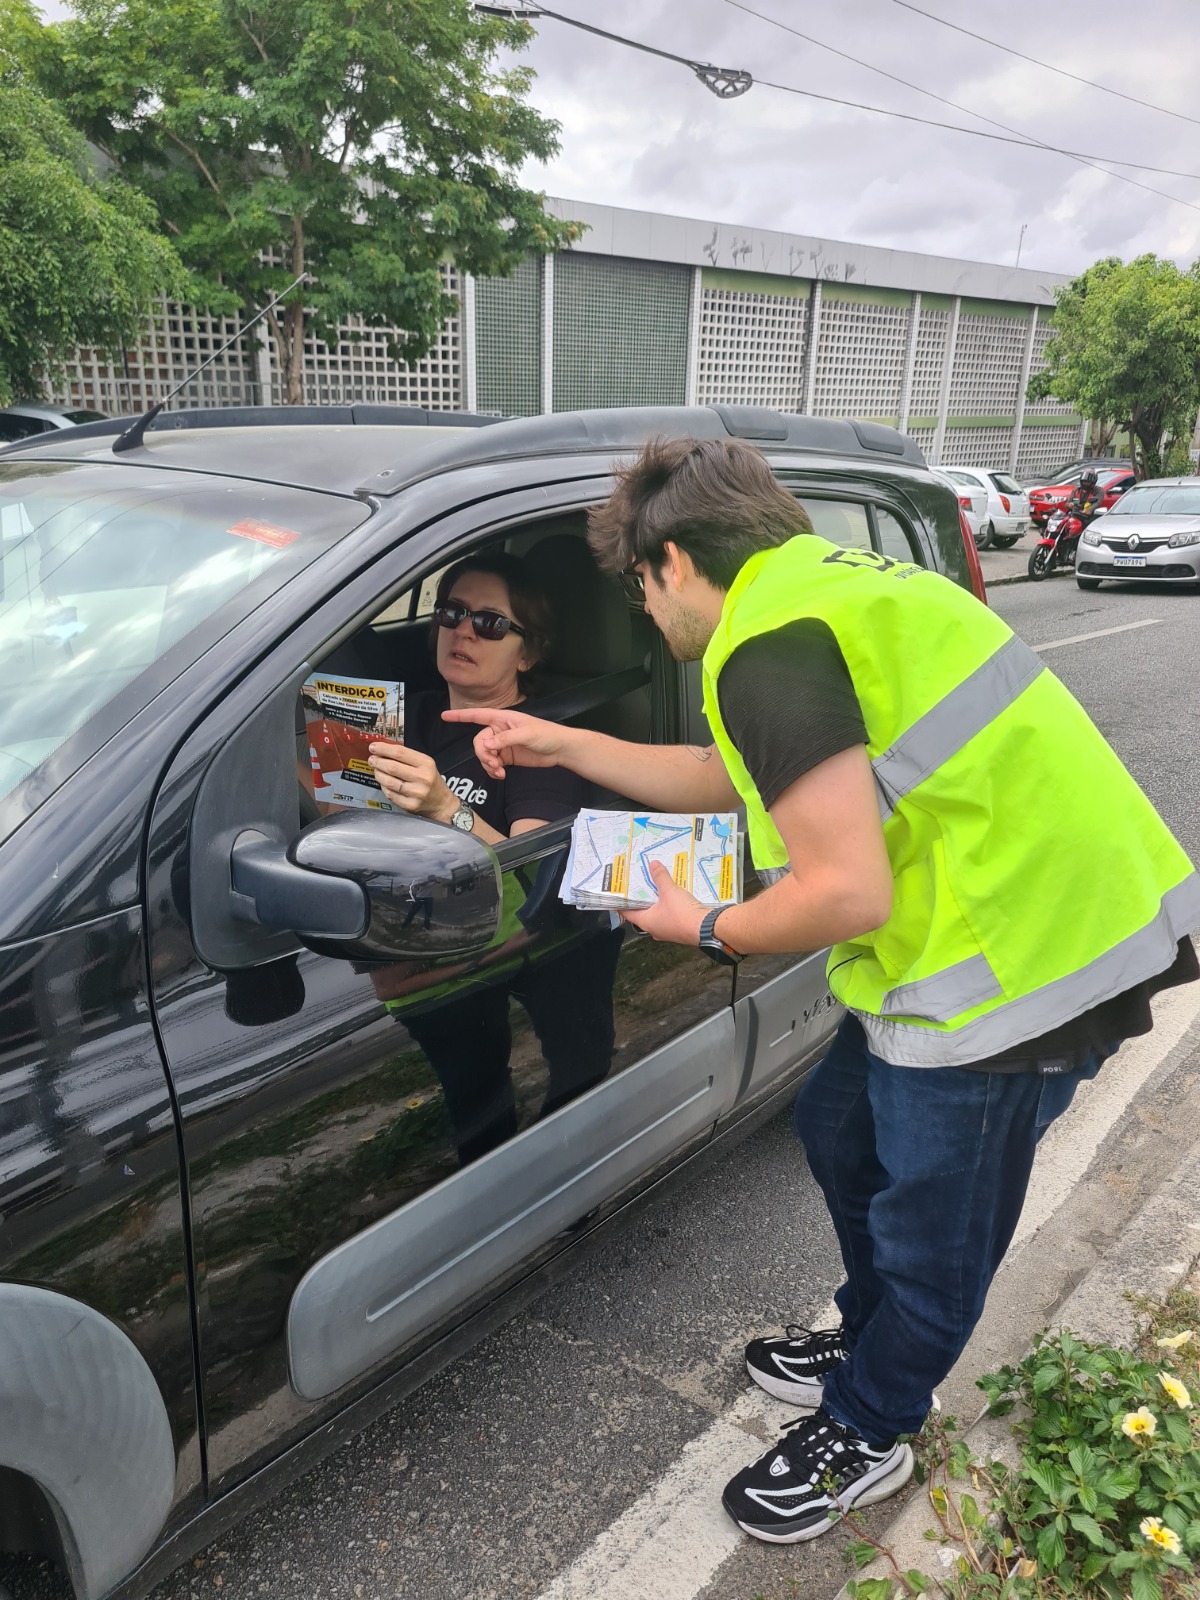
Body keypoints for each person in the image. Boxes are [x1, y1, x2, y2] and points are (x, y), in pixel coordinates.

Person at [444, 437, 1200, 1542]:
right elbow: (732, 772)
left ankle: (875, 1420)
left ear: (671, 563)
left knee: (936, 1235)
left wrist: (703, 922)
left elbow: (846, 892)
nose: (647, 617)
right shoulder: (819, 592)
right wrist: (559, 737)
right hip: (988, 928)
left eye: (637, 590)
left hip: (1021, 967)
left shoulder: (770, 643)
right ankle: (872, 1331)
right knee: (839, 1127)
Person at [366, 553, 619, 1165]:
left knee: (570, 1066)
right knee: (471, 1087)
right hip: (423, 941)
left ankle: (562, 1192)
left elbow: (533, 869)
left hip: (531, 945)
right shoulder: (408, 712)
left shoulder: (537, 736)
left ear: (527, 654)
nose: (463, 631)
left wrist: (443, 806)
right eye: (452, 613)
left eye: (491, 623)